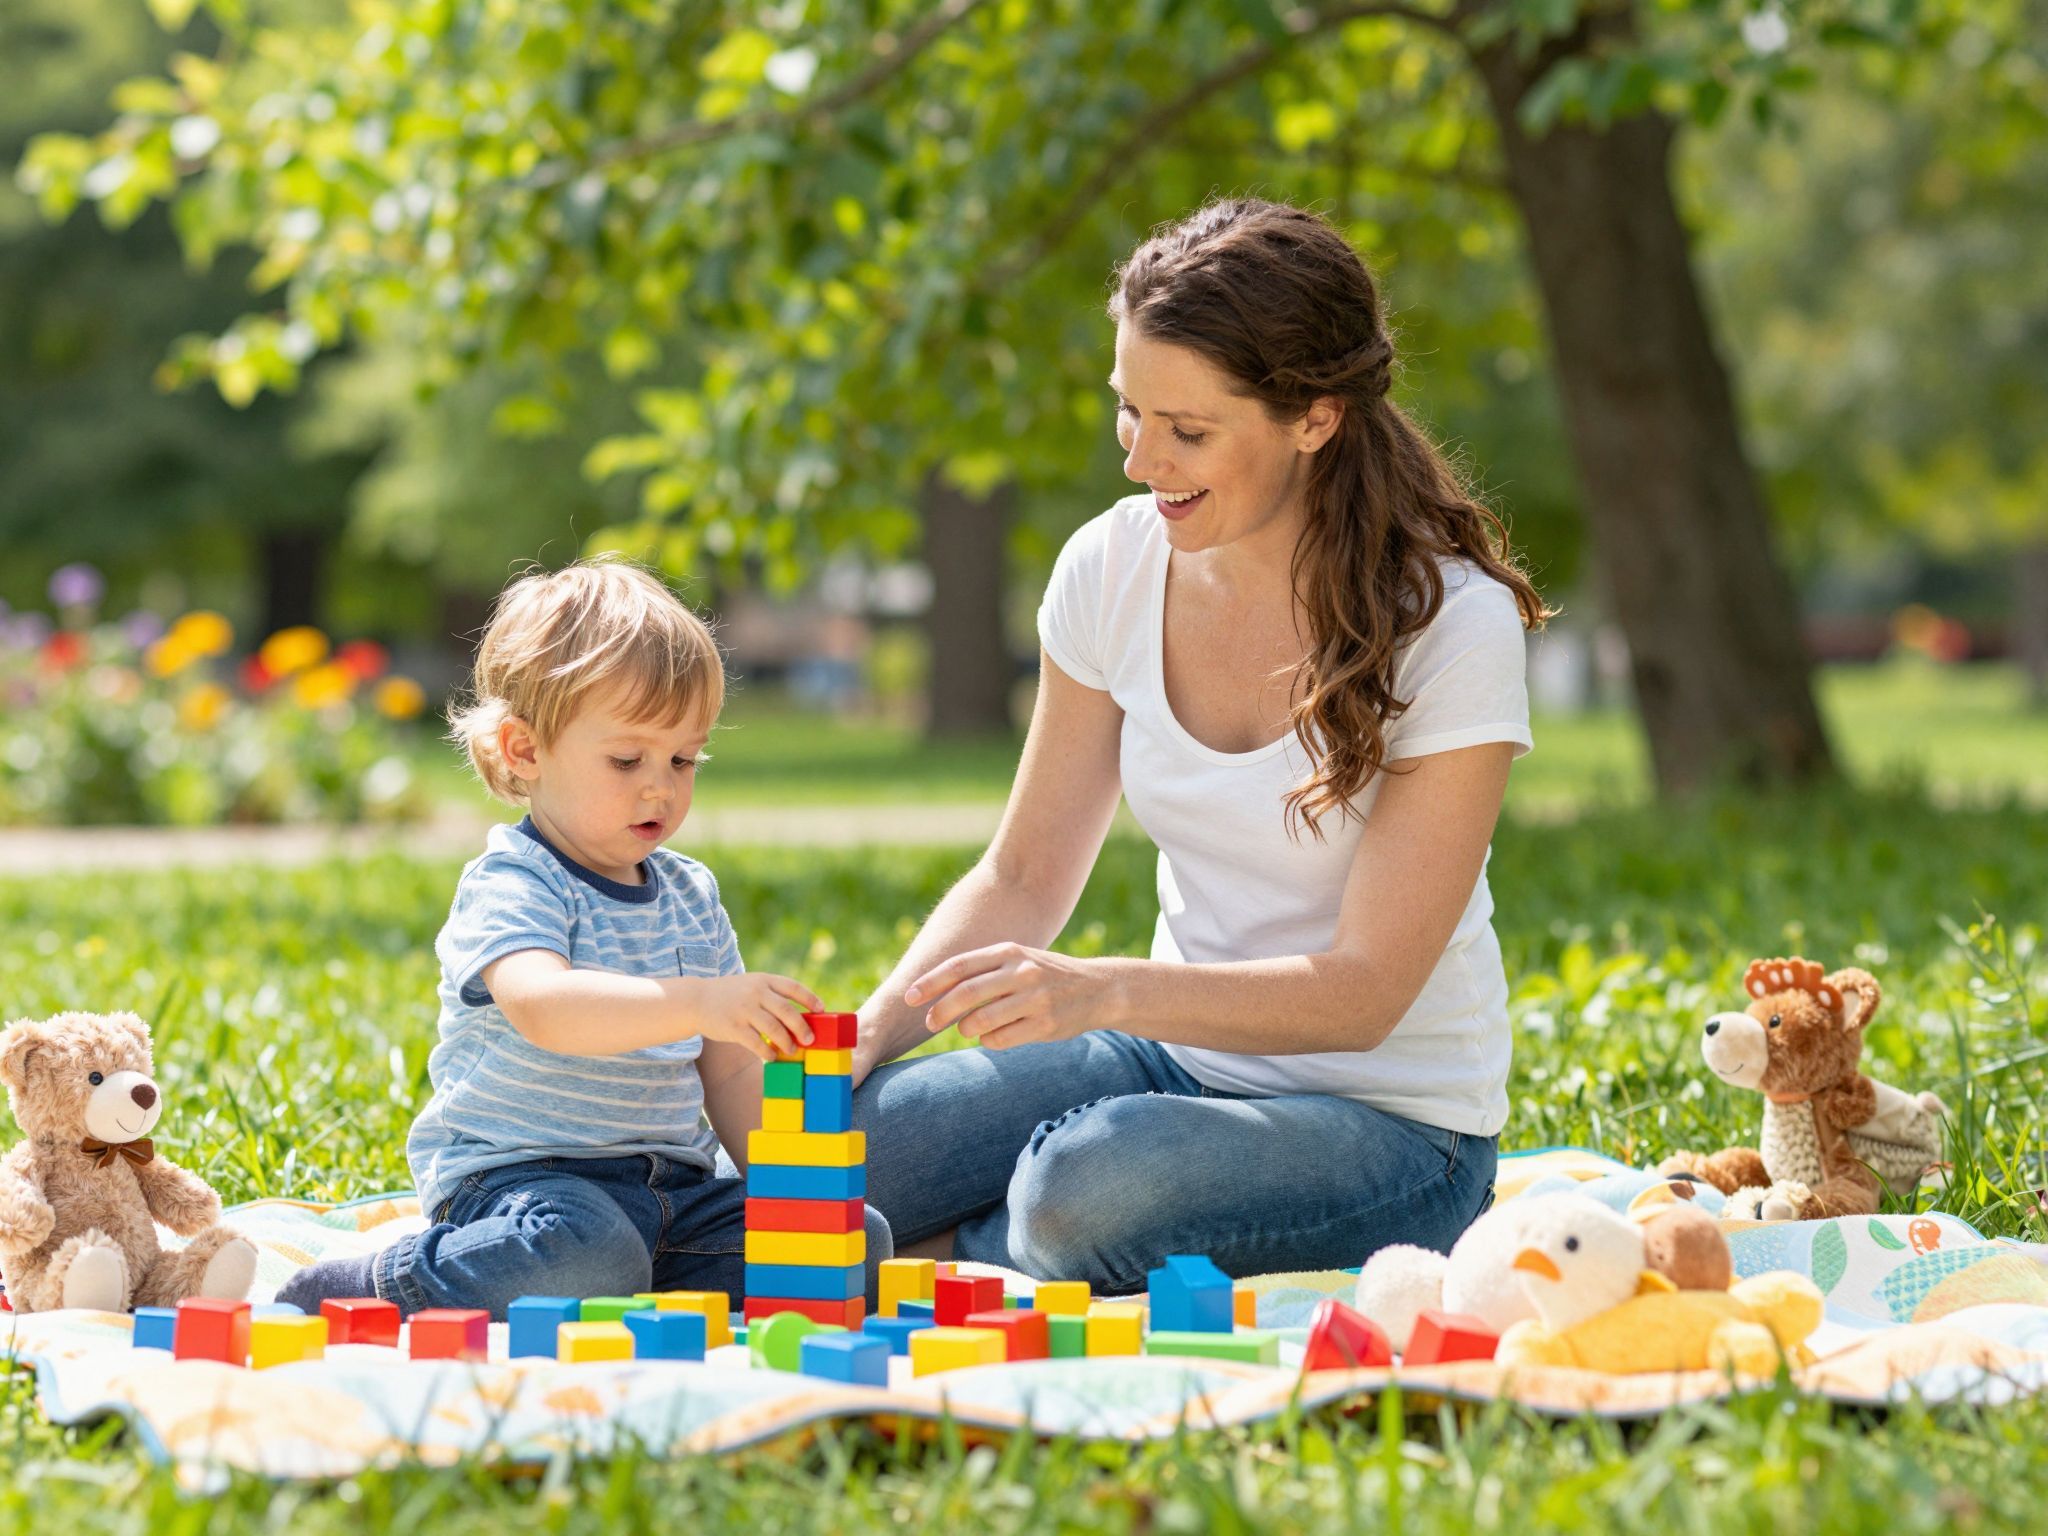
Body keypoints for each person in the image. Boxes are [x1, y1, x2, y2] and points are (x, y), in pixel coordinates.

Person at [852, 199, 1548, 1292]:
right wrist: (870, 1034)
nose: (1139, 463)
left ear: (1314, 419)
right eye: (1127, 412)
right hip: (1171, 1061)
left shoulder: (1447, 621)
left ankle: (954, 1253)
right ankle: (958, 1242)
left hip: (1390, 1124)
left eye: (1187, 431)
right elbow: (1025, 872)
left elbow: (1364, 991)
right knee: (826, 1155)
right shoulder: (1109, 568)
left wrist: (1103, 993)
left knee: (1084, 1189)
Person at [279, 559, 891, 1316]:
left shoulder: (691, 894)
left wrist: (791, 1192)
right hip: (524, 1187)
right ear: (527, 751)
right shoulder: (517, 880)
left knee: (851, 1243)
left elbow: (728, 1077)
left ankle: (631, 1282)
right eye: (627, 759)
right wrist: (699, 1001)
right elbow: (546, 1006)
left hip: (673, 1197)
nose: (659, 786)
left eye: (683, 759)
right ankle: (379, 1282)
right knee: (590, 1251)